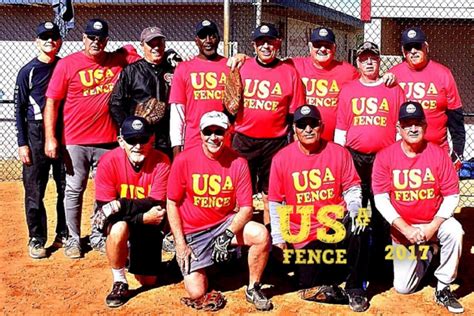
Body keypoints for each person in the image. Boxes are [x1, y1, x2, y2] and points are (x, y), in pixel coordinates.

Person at [44, 18, 141, 259]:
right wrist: (50, 138)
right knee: (74, 190)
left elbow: (140, 56)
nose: (95, 42)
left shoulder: (117, 61)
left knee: (105, 192)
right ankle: (73, 238)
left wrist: (130, 50)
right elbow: (52, 103)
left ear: (106, 41)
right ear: (83, 38)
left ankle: (98, 234)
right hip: (75, 140)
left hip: (108, 140)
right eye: (91, 38)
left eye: (100, 38)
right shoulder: (68, 64)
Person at [167, 111, 272, 311]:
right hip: (193, 231)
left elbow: (246, 208)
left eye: (219, 132)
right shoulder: (184, 160)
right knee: (197, 292)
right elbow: (171, 202)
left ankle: (253, 287)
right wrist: (180, 243)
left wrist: (227, 234)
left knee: (260, 234)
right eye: (208, 131)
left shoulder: (238, 163)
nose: (213, 137)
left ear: (228, 134)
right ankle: (204, 263)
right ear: (200, 134)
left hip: (223, 223)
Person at [269, 104, 369, 312]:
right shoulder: (281, 159)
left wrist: (355, 209)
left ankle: (355, 288)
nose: (308, 129)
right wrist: (278, 239)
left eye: (313, 124)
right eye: (302, 125)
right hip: (305, 236)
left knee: (361, 224)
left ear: (321, 126)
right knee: (309, 283)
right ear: (294, 129)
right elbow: (276, 201)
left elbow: (352, 187)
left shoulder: (338, 152)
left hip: (335, 227)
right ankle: (330, 276)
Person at [372, 101, 464, 313]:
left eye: (417, 124)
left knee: (454, 231)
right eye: (407, 124)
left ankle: (443, 286)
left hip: (434, 221)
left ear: (425, 126)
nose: (413, 129)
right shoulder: (385, 156)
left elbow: (451, 195)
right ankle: (430, 252)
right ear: (399, 128)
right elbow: (381, 199)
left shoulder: (438, 154)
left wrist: (433, 226)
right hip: (404, 229)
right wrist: (405, 229)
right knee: (404, 288)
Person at [228, 26, 396, 142]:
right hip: (303, 138)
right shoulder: (293, 65)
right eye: (317, 45)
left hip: (333, 140)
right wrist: (243, 57)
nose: (322, 49)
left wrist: (386, 77)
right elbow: (267, 66)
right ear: (310, 47)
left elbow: (368, 82)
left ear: (334, 48)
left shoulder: (348, 71)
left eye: (327, 45)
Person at [334, 41, 405, 276]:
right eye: (364, 58)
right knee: (356, 208)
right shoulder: (349, 89)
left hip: (383, 159)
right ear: (358, 62)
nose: (368, 62)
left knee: (382, 208)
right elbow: (342, 128)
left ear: (379, 60)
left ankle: (382, 262)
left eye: (373, 58)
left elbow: (399, 128)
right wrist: (339, 157)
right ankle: (355, 259)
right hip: (355, 158)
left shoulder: (394, 89)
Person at [91, 116, 170, 308]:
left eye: (143, 140)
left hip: (149, 224)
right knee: (118, 228)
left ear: (152, 140)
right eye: (131, 140)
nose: (137, 146)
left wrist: (121, 205)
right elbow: (106, 211)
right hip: (138, 221)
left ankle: (131, 256)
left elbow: (156, 204)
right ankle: (119, 280)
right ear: (120, 141)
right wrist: (142, 217)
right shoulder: (108, 162)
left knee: (148, 281)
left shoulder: (162, 161)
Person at [232, 23, 305, 227]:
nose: (265, 46)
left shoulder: (289, 72)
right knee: (239, 195)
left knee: (270, 195)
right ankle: (238, 244)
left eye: (270, 41)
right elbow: (229, 104)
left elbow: (293, 115)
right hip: (243, 139)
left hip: (275, 141)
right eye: (260, 42)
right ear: (253, 46)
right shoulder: (242, 67)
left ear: (278, 44)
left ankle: (273, 242)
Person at [14, 21, 68, 259]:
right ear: (36, 41)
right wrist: (22, 143)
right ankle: (37, 237)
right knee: (34, 189)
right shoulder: (28, 71)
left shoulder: (65, 67)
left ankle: (64, 233)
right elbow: (19, 109)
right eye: (44, 37)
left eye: (54, 37)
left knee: (66, 187)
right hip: (35, 132)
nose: (49, 41)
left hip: (63, 131)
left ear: (60, 41)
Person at [389, 27, 465, 163]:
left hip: (437, 153)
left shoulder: (443, 74)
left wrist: (458, 151)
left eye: (417, 46)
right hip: (402, 154)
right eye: (408, 47)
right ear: (403, 51)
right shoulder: (393, 75)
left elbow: (456, 117)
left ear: (426, 47)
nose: (413, 51)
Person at [110, 26, 182, 158]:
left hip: (168, 138)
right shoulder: (132, 71)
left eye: (159, 43)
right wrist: (129, 126)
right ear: (142, 46)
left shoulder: (174, 69)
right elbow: (116, 103)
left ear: (164, 44)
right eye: (151, 44)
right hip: (141, 139)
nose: (156, 47)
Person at [169, 20, 229, 156]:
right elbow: (177, 112)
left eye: (212, 36)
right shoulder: (183, 68)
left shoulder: (229, 66)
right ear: (196, 40)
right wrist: (177, 147)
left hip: (223, 140)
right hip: (194, 141)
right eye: (203, 36)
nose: (208, 40)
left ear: (218, 39)